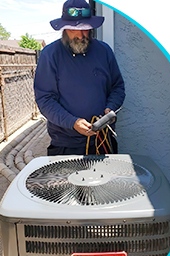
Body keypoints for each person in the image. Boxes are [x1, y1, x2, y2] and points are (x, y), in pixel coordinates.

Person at [34, 0, 125, 156]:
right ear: (64, 28)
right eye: (75, 29)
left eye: (85, 29)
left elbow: (118, 87)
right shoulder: (50, 55)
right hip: (66, 144)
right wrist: (72, 122)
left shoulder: (104, 51)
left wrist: (110, 107)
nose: (81, 35)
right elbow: (45, 100)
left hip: (103, 140)